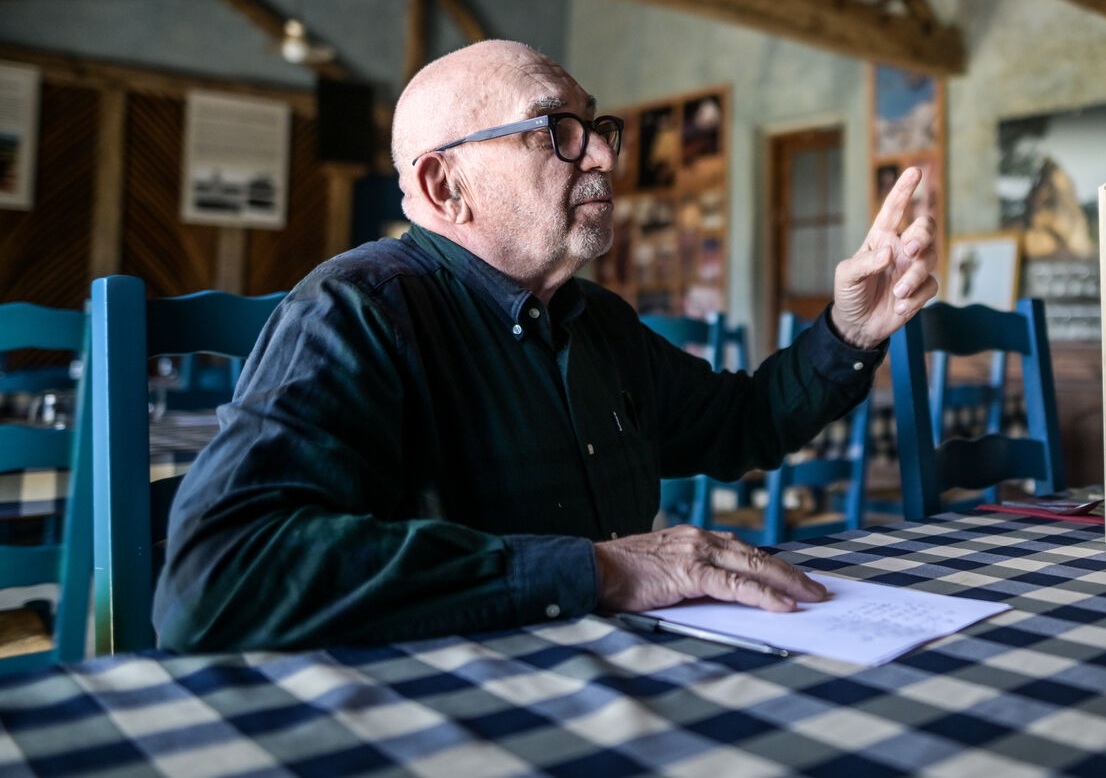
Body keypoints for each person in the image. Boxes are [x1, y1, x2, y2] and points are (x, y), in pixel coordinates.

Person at [154, 41, 941, 652]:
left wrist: (849, 332)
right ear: (443, 186)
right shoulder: (356, 311)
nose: (602, 155)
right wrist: (602, 568)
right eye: (554, 132)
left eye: (595, 127)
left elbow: (746, 422)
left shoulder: (596, 321)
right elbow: (217, 577)